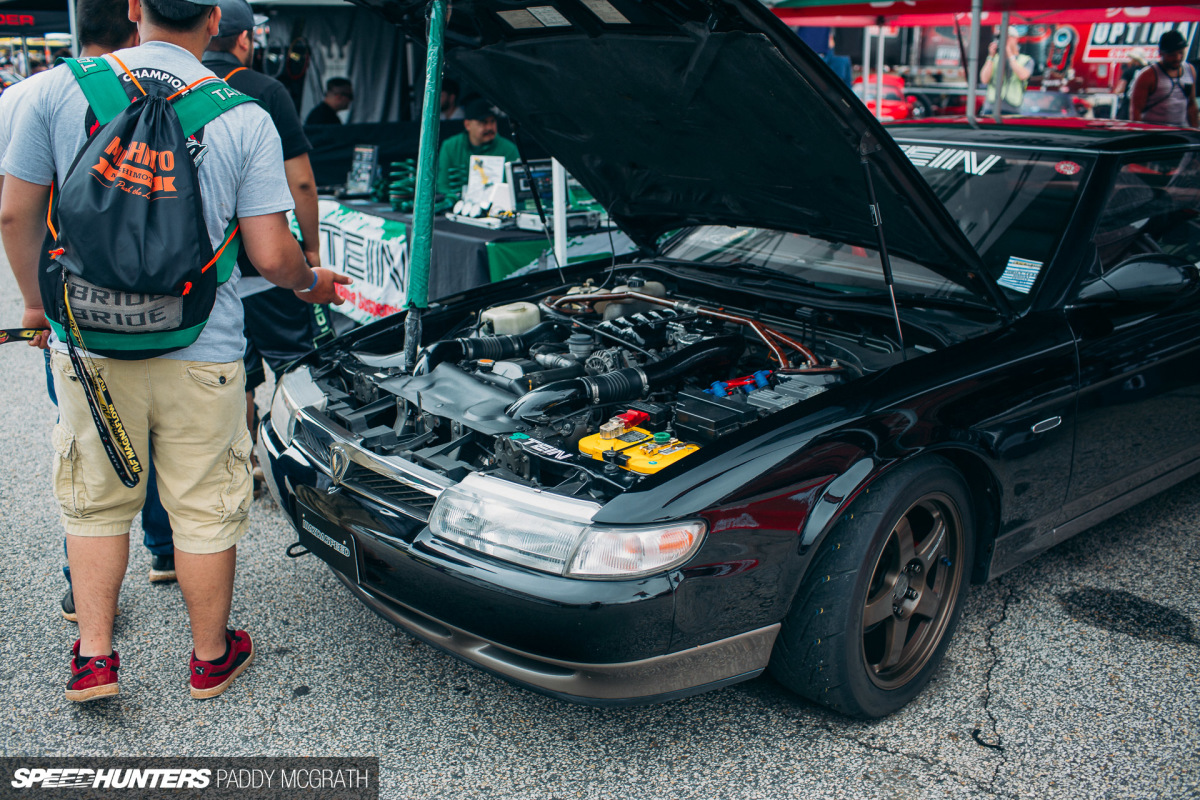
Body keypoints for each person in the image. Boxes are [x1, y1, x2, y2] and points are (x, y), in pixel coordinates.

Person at [0, 0, 350, 702]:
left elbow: (14, 213)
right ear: (216, 16)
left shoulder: (49, 92)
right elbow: (272, 256)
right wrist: (314, 285)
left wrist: (37, 309)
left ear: (135, 7)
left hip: (87, 344)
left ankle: (94, 657)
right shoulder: (242, 113)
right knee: (202, 504)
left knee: (95, 502)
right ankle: (209, 657)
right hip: (204, 343)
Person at [0, 0, 179, 622]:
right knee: (160, 428)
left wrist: (29, 301)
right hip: (164, 306)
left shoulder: (30, 95)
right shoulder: (167, 93)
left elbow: (13, 209)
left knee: (83, 442)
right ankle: (165, 549)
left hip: (70, 308)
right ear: (135, 21)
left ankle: (85, 586)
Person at [203, 0, 334, 463]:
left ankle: (245, 461)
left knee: (231, 373)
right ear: (244, 39)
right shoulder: (266, 90)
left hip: (209, 271)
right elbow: (300, 179)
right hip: (268, 266)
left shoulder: (178, 89)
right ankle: (296, 458)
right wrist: (312, 251)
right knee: (295, 364)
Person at [435, 98, 520, 197]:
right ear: (467, 125)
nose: (489, 127)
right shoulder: (450, 146)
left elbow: (514, 188)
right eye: (483, 122)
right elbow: (442, 186)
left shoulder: (509, 149)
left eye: (492, 121)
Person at [1131, 30, 1198, 128]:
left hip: (1182, 132)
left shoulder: (1189, 70)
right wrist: (1139, 136)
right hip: (1155, 135)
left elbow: (1191, 104)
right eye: (1172, 55)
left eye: (1181, 53)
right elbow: (1136, 111)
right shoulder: (1148, 75)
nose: (1178, 58)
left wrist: (1195, 132)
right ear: (1160, 53)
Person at [980, 27, 1033, 115]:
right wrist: (990, 56)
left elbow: (1023, 75)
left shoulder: (1026, 59)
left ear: (1016, 39)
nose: (1002, 40)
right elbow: (984, 79)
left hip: (1012, 109)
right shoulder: (994, 58)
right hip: (991, 108)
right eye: (999, 37)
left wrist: (1009, 53)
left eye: (1006, 37)